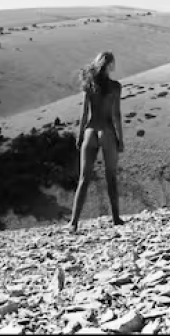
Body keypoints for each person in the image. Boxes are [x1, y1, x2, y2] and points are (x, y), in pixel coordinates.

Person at [69, 51, 125, 232]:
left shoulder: (89, 84)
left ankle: (73, 222)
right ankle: (116, 218)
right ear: (110, 65)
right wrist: (120, 139)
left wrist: (79, 136)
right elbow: (116, 115)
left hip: (90, 131)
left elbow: (84, 114)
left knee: (83, 179)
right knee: (111, 176)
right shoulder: (115, 86)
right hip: (107, 131)